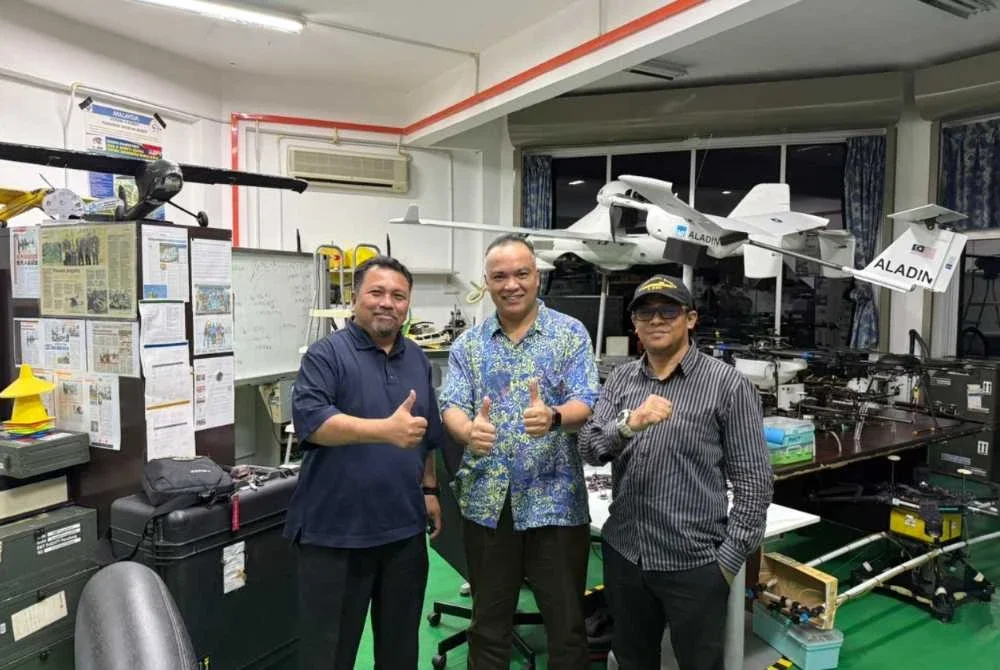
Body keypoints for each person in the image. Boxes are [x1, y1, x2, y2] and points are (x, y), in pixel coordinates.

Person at [577, 274, 773, 670]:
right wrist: (630, 425)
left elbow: (755, 483)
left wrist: (727, 562)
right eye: (645, 312)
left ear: (691, 318)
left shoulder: (727, 386)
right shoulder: (620, 380)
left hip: (695, 562)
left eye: (669, 310)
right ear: (634, 323)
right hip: (626, 555)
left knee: (699, 663)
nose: (656, 320)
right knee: (633, 660)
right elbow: (589, 447)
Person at [438, 234, 600, 670]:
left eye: (521, 274)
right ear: (487, 283)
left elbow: (587, 399)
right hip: (489, 504)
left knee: (566, 627)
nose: (512, 284)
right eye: (500, 276)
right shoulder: (468, 346)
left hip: (556, 502)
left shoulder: (569, 335)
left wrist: (554, 417)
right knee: (488, 626)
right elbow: (451, 404)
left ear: (537, 278)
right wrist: (467, 430)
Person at [284, 255, 445, 670]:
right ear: (355, 299)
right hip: (335, 535)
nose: (386, 303)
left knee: (399, 650)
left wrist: (429, 491)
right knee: (329, 653)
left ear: (408, 305)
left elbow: (426, 436)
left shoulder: (417, 360)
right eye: (376, 292)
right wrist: (383, 430)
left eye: (398, 295)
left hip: (403, 533)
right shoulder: (326, 356)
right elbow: (313, 422)